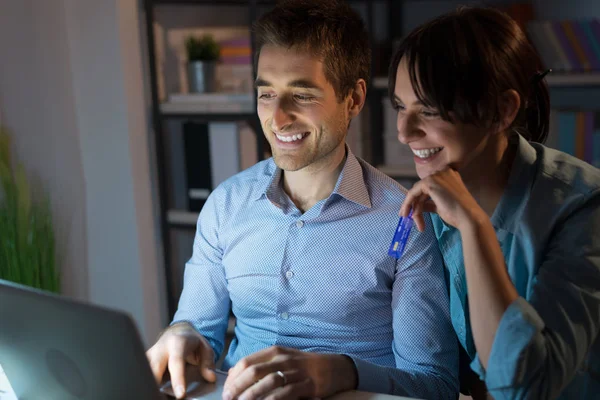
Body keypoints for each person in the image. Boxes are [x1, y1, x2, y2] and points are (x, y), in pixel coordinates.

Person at [146, 1, 459, 400]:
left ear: (354, 99)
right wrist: (182, 335)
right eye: (266, 94)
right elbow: (198, 331)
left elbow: (435, 386)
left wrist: (343, 373)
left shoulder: (404, 222)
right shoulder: (225, 204)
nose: (277, 118)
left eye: (302, 95)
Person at [390, 5, 600, 400]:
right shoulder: (430, 206)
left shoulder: (583, 208)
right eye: (401, 107)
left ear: (502, 110)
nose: (404, 132)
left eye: (429, 110)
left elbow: (524, 388)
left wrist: (473, 226)